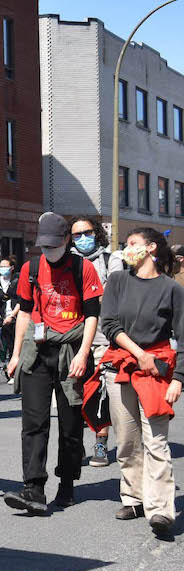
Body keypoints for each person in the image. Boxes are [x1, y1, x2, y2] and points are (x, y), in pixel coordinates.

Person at [2, 212, 101, 515]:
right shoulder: (31, 269)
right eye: (44, 246)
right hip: (38, 350)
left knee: (70, 424)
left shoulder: (83, 268)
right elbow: (24, 312)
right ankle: (33, 487)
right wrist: (16, 354)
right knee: (34, 422)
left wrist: (84, 353)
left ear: (67, 240)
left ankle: (67, 484)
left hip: (72, 350)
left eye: (54, 246)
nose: (49, 251)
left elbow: (92, 315)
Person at [96, 229, 183, 537]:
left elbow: (183, 337)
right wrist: (139, 354)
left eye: (133, 244)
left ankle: (160, 510)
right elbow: (109, 323)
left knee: (156, 441)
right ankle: (133, 498)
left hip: (156, 373)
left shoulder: (171, 288)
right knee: (127, 440)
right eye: (126, 244)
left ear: (151, 247)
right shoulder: (118, 280)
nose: (126, 248)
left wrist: (179, 379)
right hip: (121, 367)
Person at [70, 216, 122, 467]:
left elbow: (113, 295)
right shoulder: (66, 262)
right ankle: (75, 444)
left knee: (101, 393)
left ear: (97, 233)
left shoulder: (111, 260)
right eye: (77, 235)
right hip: (73, 337)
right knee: (74, 393)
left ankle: (101, 443)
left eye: (87, 232)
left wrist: (87, 298)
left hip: (102, 338)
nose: (82, 238)